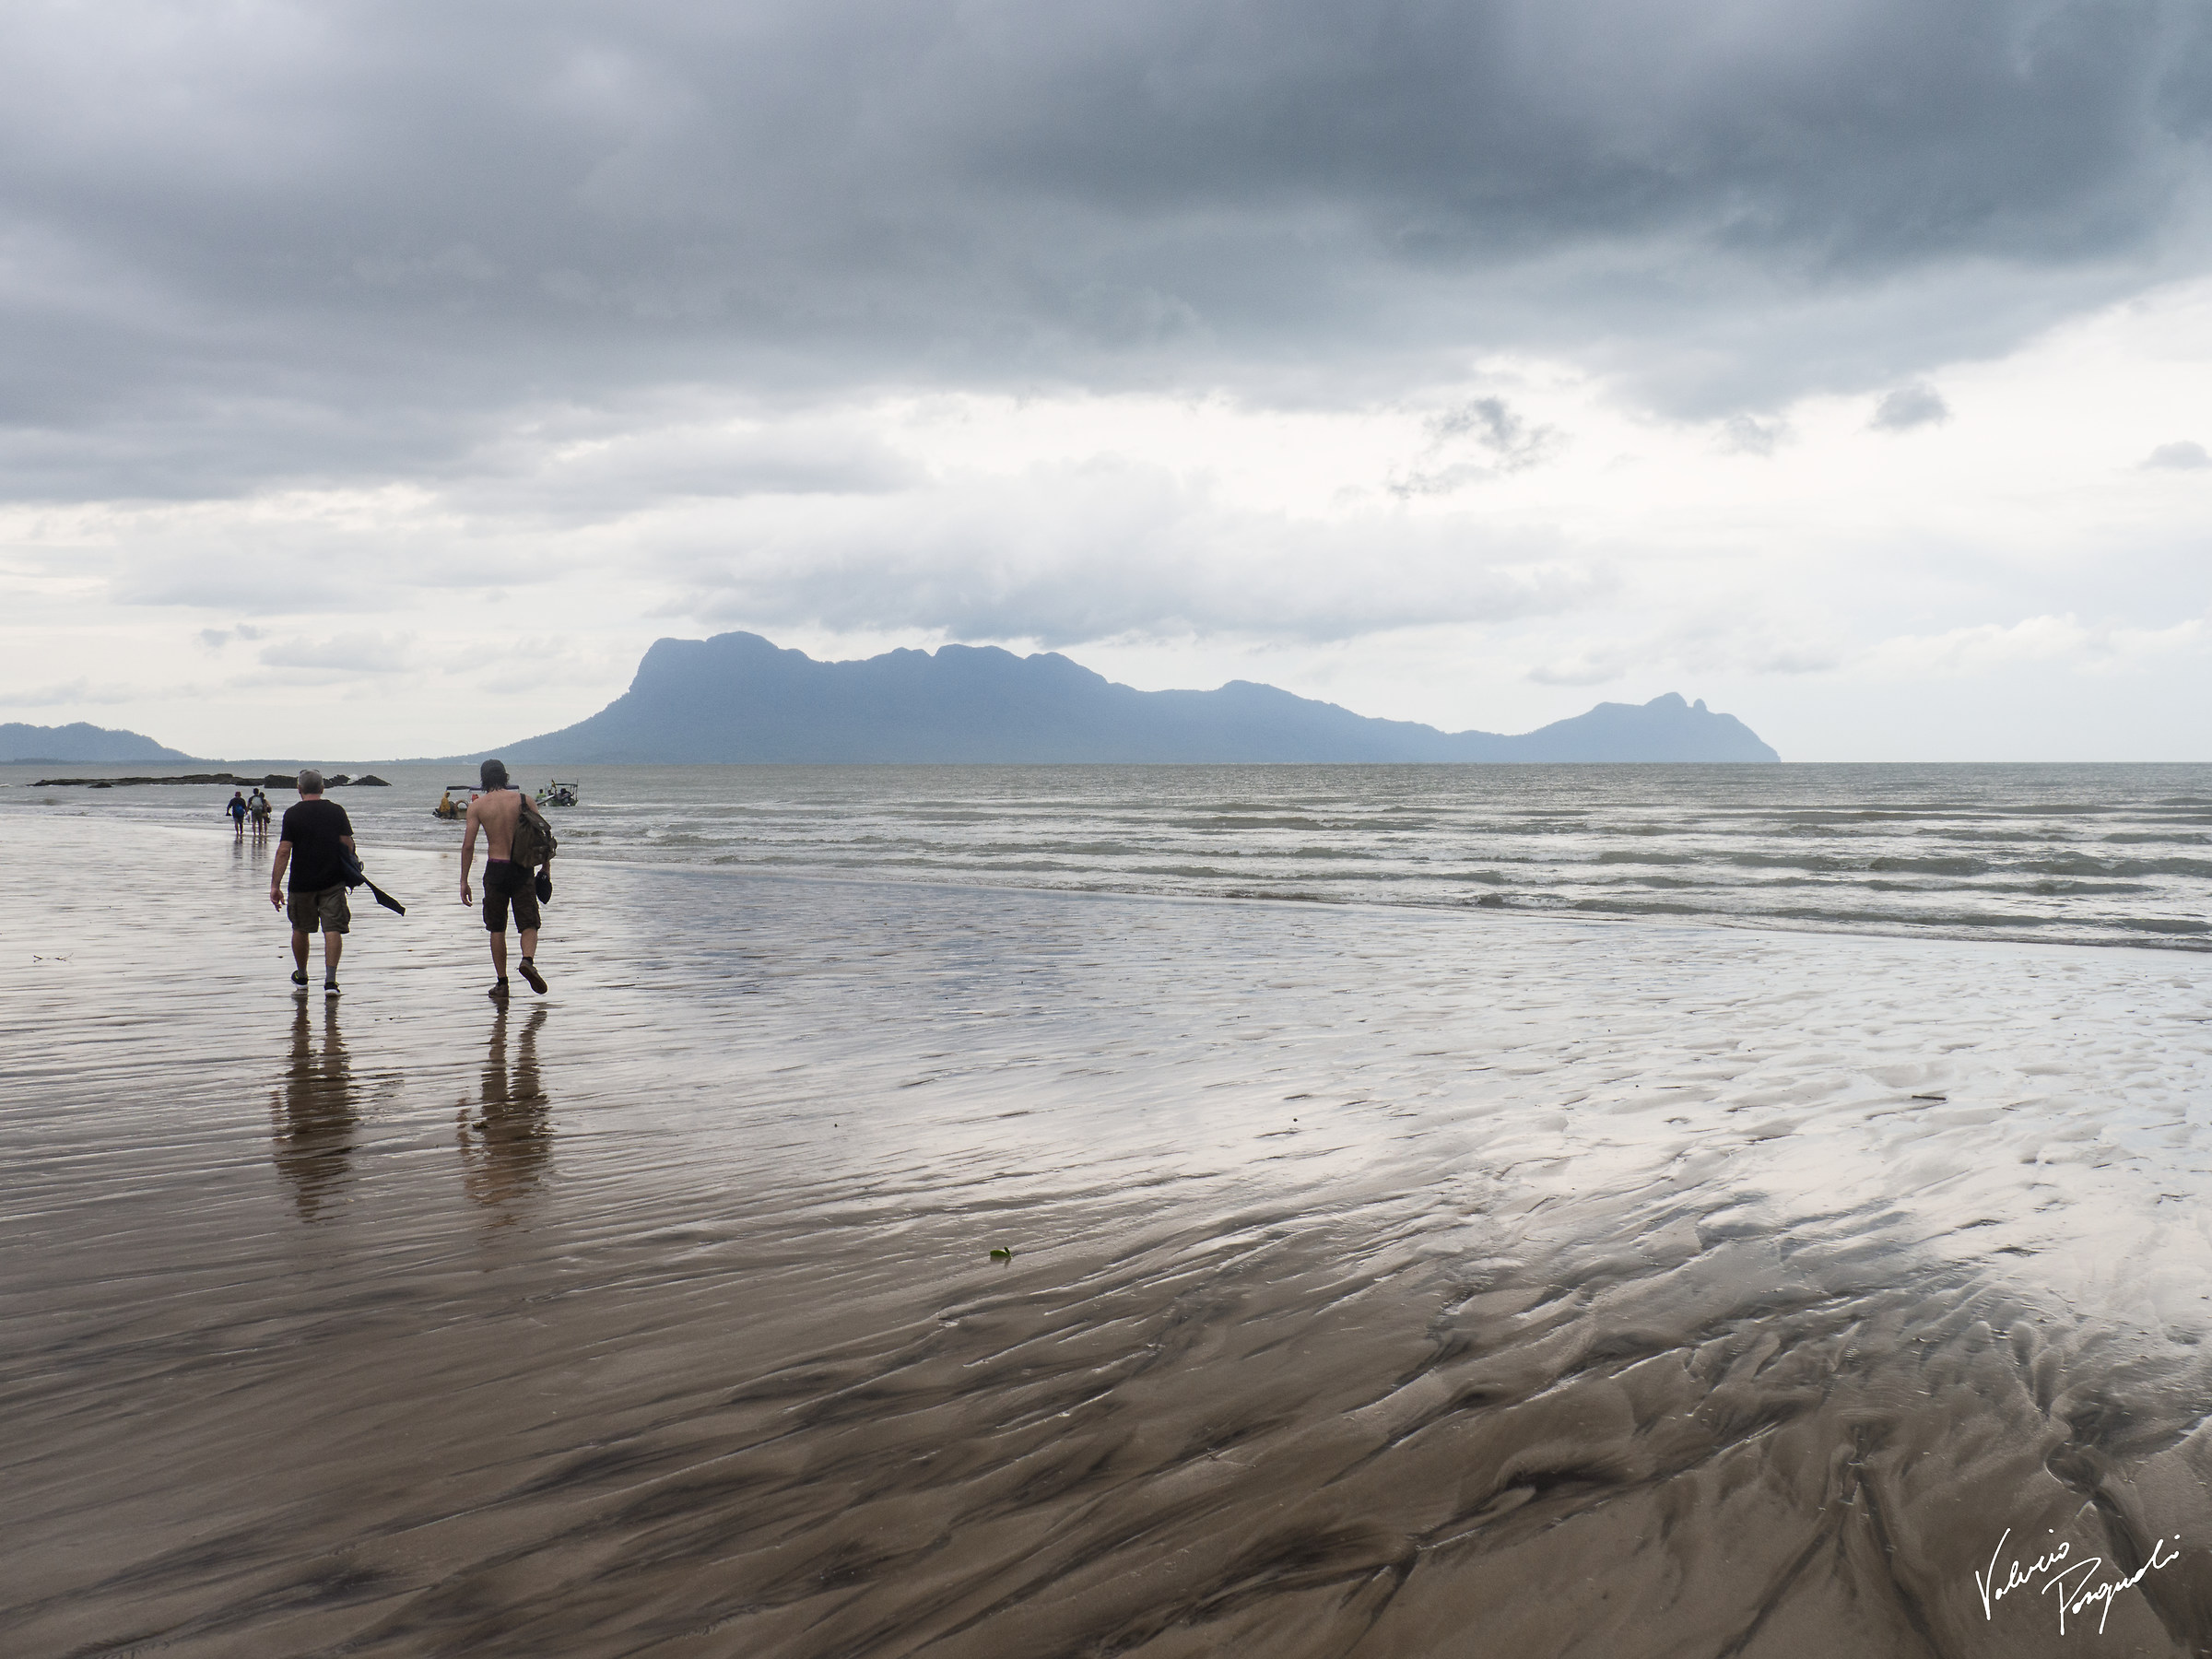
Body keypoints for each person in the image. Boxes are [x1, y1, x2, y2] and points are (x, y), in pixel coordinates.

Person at [460, 758, 548, 999]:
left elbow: (468, 846)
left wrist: (463, 880)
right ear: (505, 776)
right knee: (529, 923)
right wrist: (546, 869)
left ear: (484, 779)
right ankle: (527, 960)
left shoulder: (478, 806)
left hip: (496, 870)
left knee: (497, 927)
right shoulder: (524, 800)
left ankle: (502, 983)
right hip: (522, 867)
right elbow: (543, 837)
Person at [269, 770, 356, 997]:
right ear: (323, 788)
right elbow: (347, 844)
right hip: (333, 880)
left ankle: (302, 976)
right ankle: (330, 982)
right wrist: (351, 869)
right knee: (332, 929)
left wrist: (275, 885)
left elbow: (284, 851)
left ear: (299, 789)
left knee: (300, 928)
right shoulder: (337, 811)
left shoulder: (292, 814)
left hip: (301, 882)